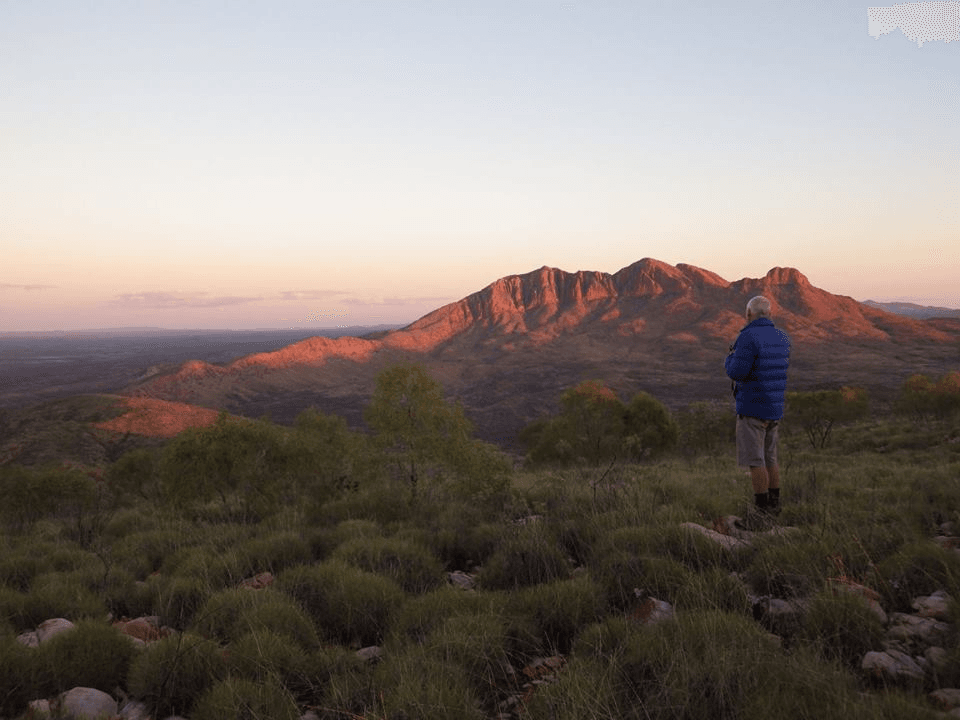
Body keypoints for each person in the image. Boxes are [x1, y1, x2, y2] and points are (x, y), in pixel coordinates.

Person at [724, 296, 791, 525]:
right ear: (770, 314)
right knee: (771, 458)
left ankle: (760, 515)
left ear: (748, 314)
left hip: (752, 407)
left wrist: (729, 358)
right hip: (774, 407)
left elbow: (737, 372)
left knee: (756, 461)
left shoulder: (747, 337)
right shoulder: (783, 337)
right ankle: (774, 506)